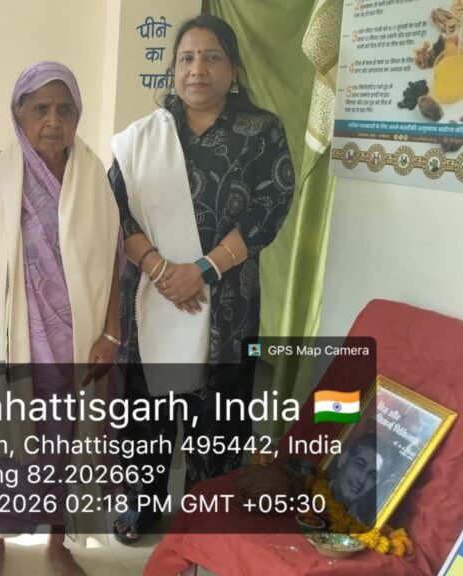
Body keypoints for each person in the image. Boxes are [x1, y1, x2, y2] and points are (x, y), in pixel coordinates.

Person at [109, 14, 294, 543]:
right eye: (187, 58)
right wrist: (161, 269)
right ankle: (141, 505)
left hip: (227, 303)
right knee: (144, 411)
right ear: (173, 69)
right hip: (151, 296)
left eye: (212, 58)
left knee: (219, 414)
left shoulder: (260, 132)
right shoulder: (143, 137)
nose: (198, 69)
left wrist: (203, 270)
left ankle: (204, 514)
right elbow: (115, 210)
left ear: (232, 69)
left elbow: (270, 207)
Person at [0, 61, 121, 576]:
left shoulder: (93, 177)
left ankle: (57, 541)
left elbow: (113, 262)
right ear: (18, 114)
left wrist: (112, 331)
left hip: (77, 341)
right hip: (5, 341)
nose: (53, 120)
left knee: (65, 445)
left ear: (78, 115)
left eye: (64, 109)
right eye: (40, 109)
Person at [329, 433, 383, 524]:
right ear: (343, 459)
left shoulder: (361, 526)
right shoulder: (307, 486)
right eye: (360, 465)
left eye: (372, 475)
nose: (362, 480)